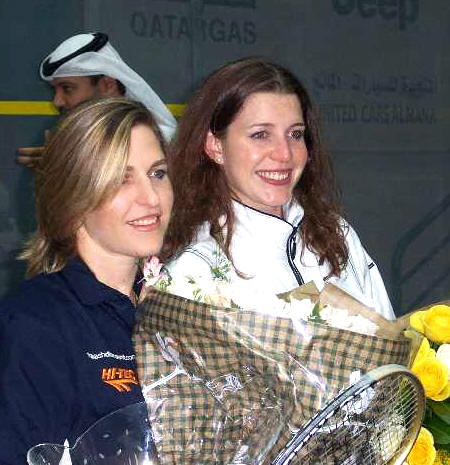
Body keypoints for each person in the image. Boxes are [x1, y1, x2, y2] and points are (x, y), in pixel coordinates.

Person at [0, 98, 173, 464]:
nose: (151, 197)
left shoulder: (180, 306)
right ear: (74, 196)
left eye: (158, 173)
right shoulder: (35, 323)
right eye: (122, 179)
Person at [163, 57, 394, 319]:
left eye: (295, 134)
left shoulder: (337, 235)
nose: (285, 154)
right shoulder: (196, 271)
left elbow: (391, 336)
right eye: (261, 135)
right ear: (216, 146)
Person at [17, 31, 176, 166]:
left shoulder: (158, 142)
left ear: (107, 85)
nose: (57, 101)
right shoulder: (84, 144)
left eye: (67, 88)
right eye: (55, 90)